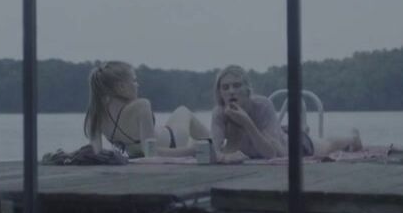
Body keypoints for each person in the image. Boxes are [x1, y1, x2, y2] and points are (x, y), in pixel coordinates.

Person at [210, 65, 362, 162]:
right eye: (225, 87)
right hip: (276, 134)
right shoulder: (219, 114)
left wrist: (246, 123)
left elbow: (271, 154)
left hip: (290, 146)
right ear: (220, 93)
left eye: (236, 85)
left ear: (247, 89)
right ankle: (300, 128)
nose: (231, 91)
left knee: (327, 145)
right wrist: (224, 156)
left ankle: (352, 137)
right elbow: (212, 152)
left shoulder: (262, 106)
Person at [84, 61, 212, 158]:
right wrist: (192, 151)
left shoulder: (94, 115)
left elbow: (97, 153)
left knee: (180, 116)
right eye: (134, 81)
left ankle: (214, 144)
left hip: (152, 143)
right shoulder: (141, 106)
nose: (137, 85)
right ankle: (215, 146)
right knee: (183, 111)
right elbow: (151, 152)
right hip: (172, 142)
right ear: (121, 86)